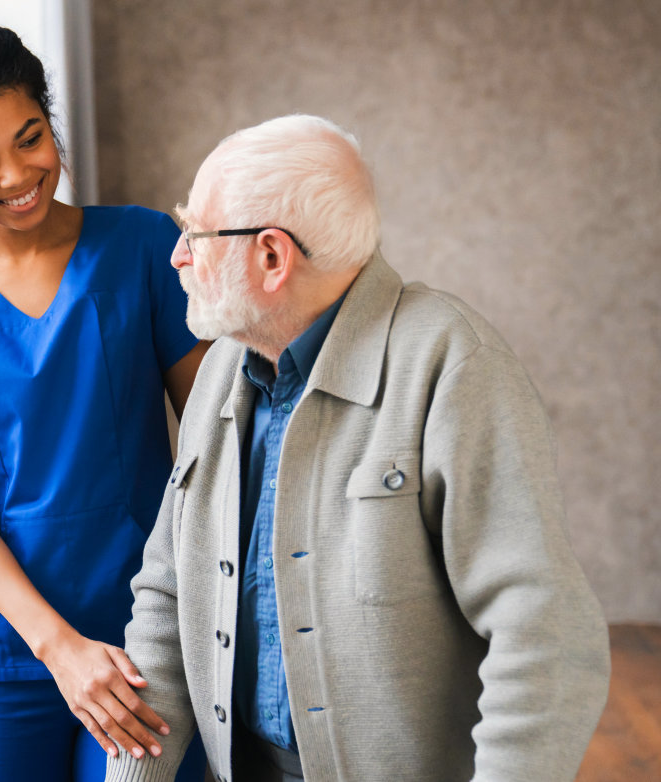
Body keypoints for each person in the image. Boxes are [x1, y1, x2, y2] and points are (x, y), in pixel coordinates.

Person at [104, 115, 610, 782]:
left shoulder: (451, 363)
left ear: (272, 257)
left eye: (194, 234)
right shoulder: (223, 370)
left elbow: (545, 638)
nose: (179, 256)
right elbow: (169, 595)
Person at [0, 22, 210, 781]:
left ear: (51, 121)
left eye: (31, 139)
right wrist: (59, 649)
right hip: (0, 657)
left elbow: (213, 453)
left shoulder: (147, 250)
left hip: (143, 642)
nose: (18, 174)